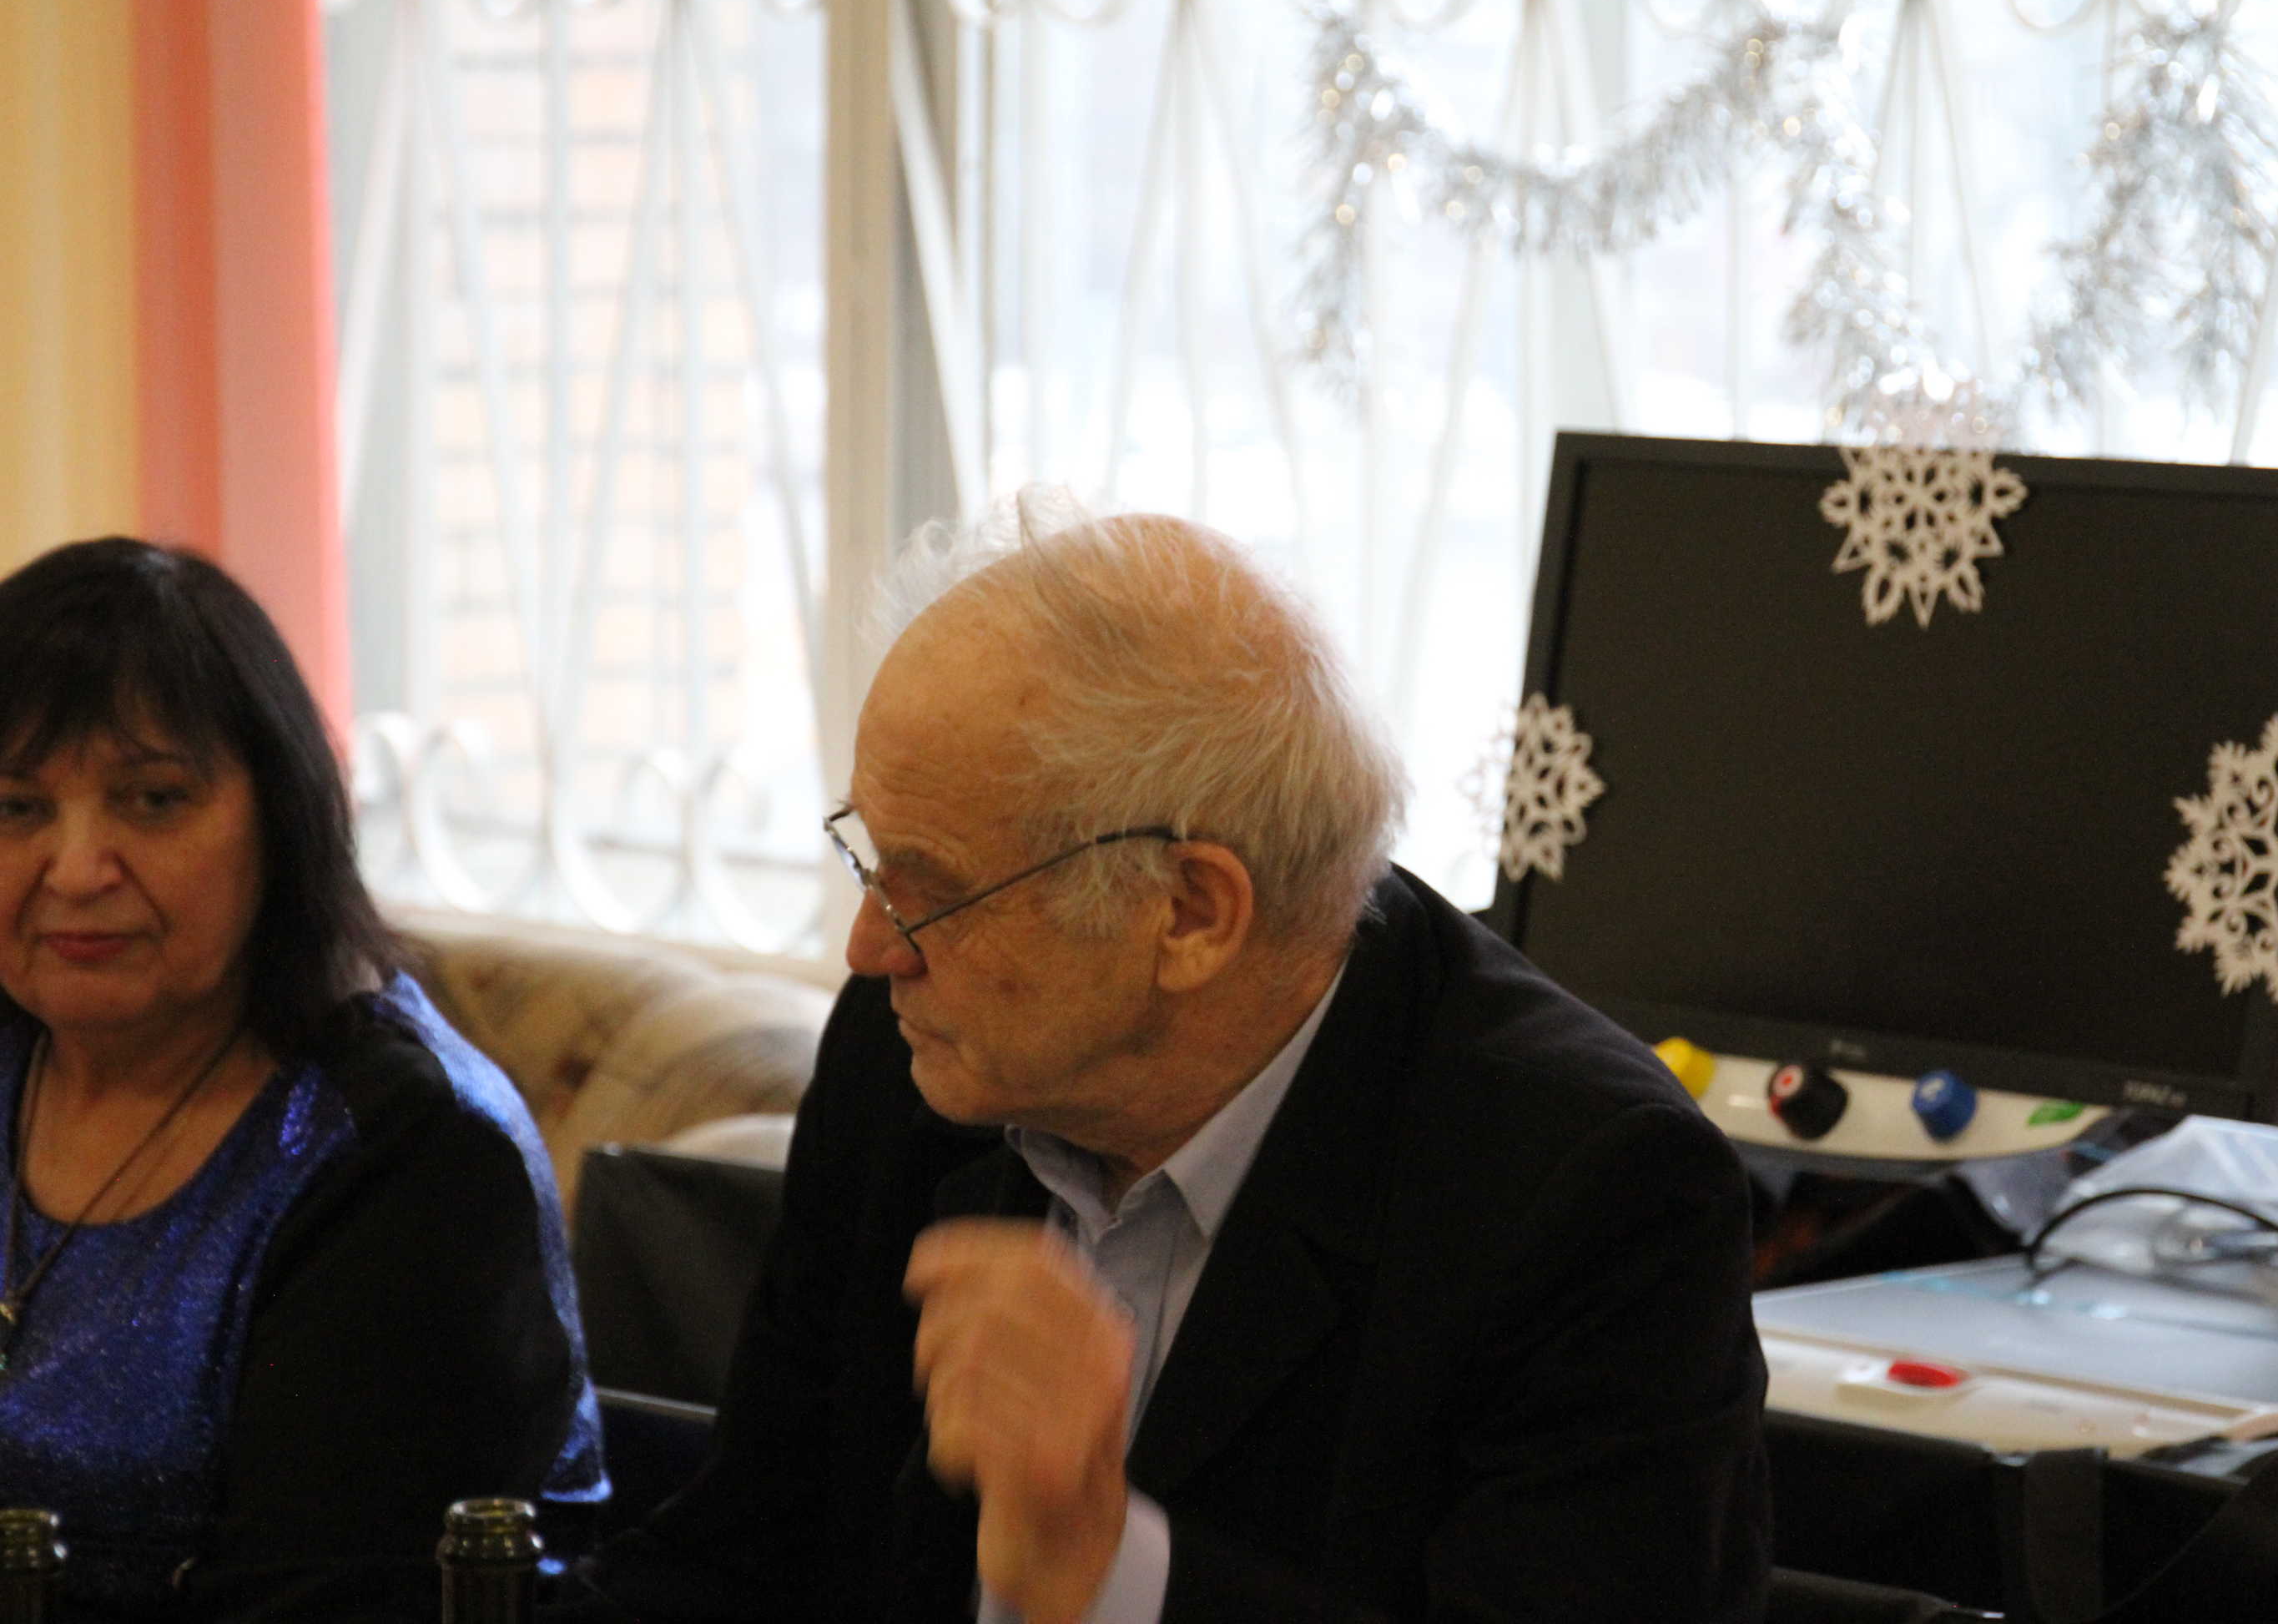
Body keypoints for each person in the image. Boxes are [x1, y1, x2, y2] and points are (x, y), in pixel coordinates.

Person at [576, 497, 1768, 1621]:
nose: (871, 946)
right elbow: (745, 1557)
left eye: (931, 891)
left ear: (1192, 913)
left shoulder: (1591, 1199)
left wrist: (1103, 1561)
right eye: (869, 860)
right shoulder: (909, 1057)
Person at [0, 537, 603, 1620]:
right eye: (17, 809)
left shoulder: (413, 1156)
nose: (78, 870)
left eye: (152, 800)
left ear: (280, 820)